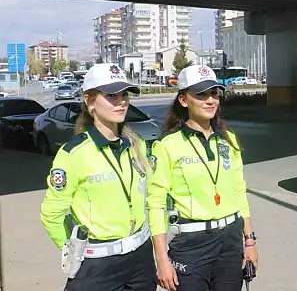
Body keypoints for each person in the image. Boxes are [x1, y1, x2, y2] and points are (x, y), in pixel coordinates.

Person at [39, 63, 156, 290]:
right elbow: (51, 213)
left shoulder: (136, 146)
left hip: (141, 260)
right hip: (97, 265)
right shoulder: (73, 153)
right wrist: (72, 252)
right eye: (111, 95)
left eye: (124, 94)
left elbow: (151, 195)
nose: (121, 101)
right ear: (89, 101)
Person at [147, 64, 257, 291]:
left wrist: (249, 241)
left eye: (214, 93)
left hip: (230, 241)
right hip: (191, 245)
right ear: (183, 100)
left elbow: (239, 192)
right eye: (201, 94)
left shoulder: (229, 140)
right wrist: (161, 260)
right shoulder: (167, 145)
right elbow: (155, 204)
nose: (210, 100)